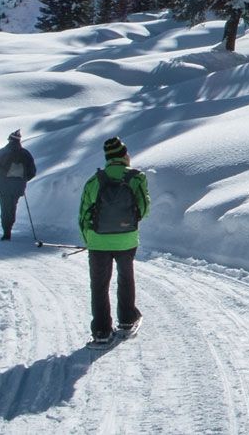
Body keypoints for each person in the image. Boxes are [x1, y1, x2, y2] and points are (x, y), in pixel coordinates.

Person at [80, 136, 149, 345]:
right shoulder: (137, 178)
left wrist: (89, 239)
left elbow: (84, 213)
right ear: (123, 155)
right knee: (126, 278)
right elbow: (144, 209)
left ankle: (101, 331)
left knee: (99, 285)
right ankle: (127, 320)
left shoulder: (95, 181)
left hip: (98, 241)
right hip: (126, 240)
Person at [0, 130, 37, 241]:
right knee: (12, 207)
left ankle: (6, 232)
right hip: (18, 186)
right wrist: (23, 180)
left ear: (9, 140)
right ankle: (9, 228)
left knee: (5, 208)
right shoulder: (25, 153)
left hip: (4, 185)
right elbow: (32, 172)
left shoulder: (3, 152)